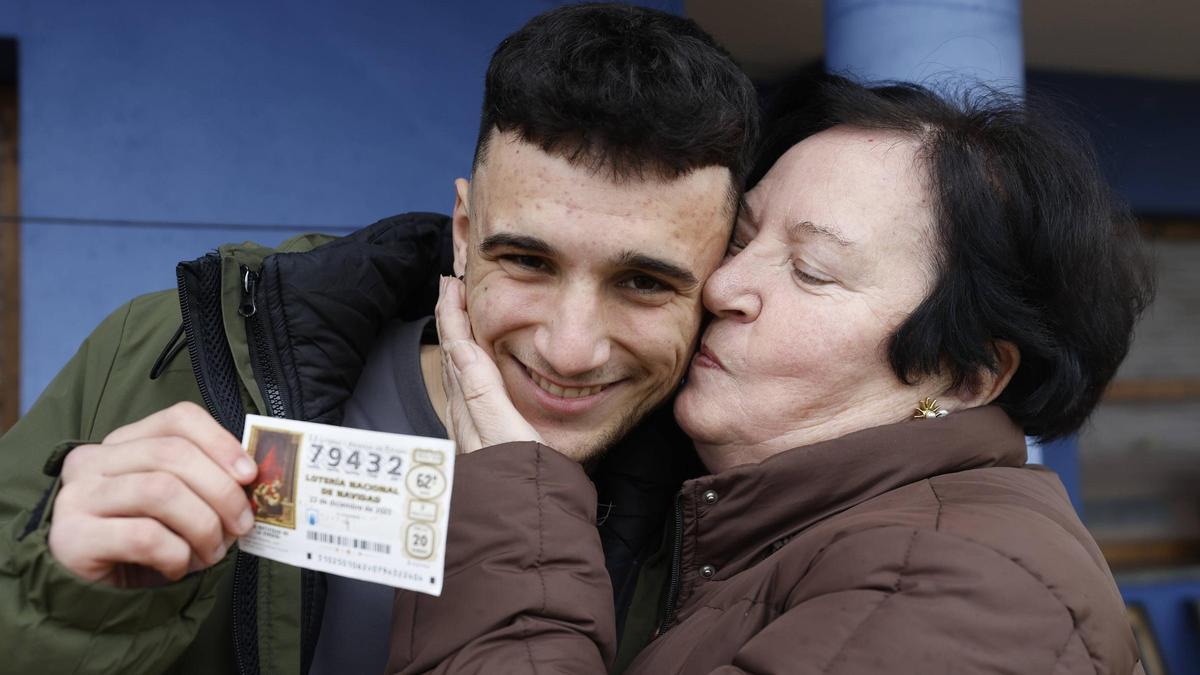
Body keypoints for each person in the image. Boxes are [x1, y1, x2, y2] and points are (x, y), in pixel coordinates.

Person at [0, 5, 757, 673]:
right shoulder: (167, 353)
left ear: (720, 275)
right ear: (464, 234)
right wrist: (74, 595)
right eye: (527, 261)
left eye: (644, 283)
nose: (569, 349)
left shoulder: (734, 499)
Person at [386, 77, 1154, 674]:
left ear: (964, 376)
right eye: (744, 235)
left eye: (812, 271)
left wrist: (517, 510)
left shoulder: (968, 590)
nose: (722, 288)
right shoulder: (755, 509)